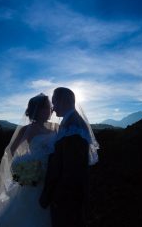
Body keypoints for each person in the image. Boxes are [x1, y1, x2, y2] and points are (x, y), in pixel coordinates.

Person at [0, 93, 58, 227]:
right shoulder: (27, 129)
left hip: (52, 176)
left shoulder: (54, 127)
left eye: (49, 106)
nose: (50, 109)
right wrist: (23, 166)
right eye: (46, 107)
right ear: (37, 110)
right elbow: (10, 151)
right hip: (36, 178)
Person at [39, 87, 99, 227]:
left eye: (54, 102)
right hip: (69, 194)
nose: (53, 108)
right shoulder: (70, 122)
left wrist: (52, 194)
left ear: (62, 101)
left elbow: (70, 168)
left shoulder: (73, 126)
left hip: (67, 196)